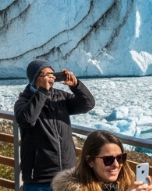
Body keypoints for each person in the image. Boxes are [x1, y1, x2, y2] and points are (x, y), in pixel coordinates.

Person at [14, 59, 96, 191]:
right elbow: (27, 120)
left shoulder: (60, 97)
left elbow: (88, 104)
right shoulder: (23, 101)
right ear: (36, 77)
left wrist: (76, 85)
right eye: (46, 75)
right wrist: (42, 92)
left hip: (67, 175)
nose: (51, 78)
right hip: (39, 179)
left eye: (53, 74)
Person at [51, 130, 152, 191]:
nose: (116, 165)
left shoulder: (129, 184)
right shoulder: (73, 189)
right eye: (108, 159)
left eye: (120, 158)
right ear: (90, 161)